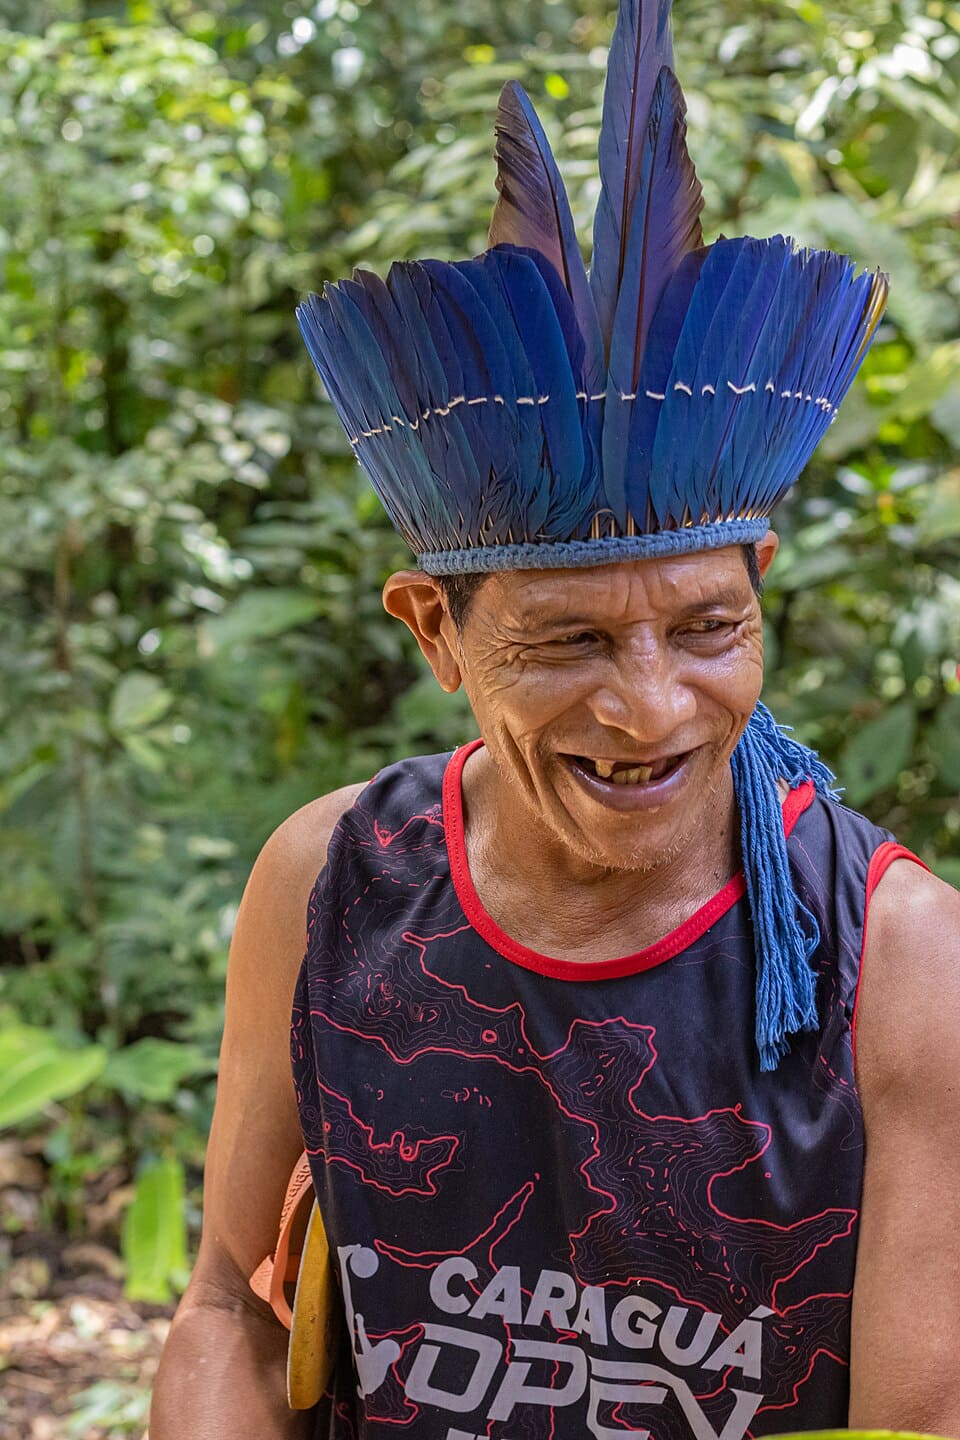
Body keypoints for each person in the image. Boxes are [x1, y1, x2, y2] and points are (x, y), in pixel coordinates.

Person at [151, 1, 960, 1436]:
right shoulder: (331, 885)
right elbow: (225, 1305)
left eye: (708, 627)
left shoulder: (903, 965)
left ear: (760, 585)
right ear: (434, 630)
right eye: (569, 639)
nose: (651, 705)